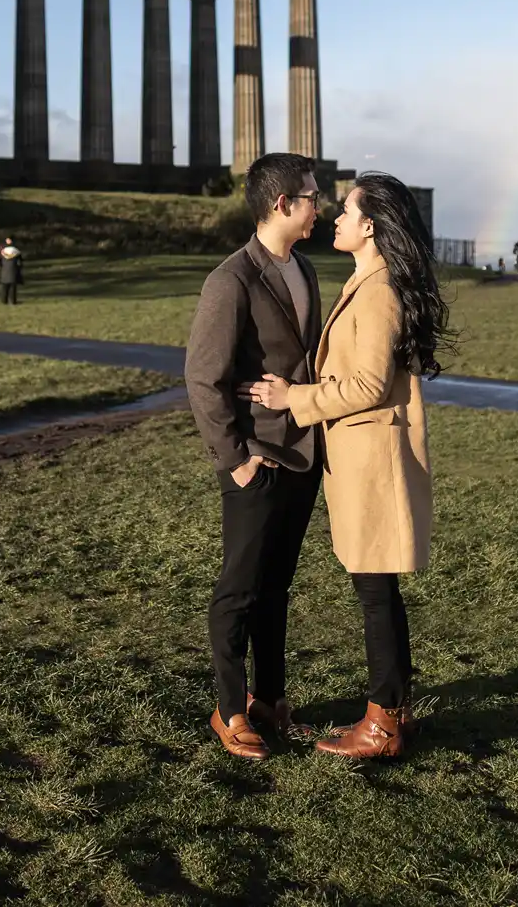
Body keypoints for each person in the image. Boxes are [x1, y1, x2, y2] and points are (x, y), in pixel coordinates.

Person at [245, 171, 447, 760]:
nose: (335, 218)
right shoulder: (367, 278)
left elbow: (366, 383)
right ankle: (396, 715)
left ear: (370, 226)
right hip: (361, 456)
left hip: (371, 460)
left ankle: (383, 724)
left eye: (347, 211)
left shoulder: (379, 286)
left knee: (375, 591)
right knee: (378, 588)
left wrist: (294, 400)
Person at [184, 153, 325, 761]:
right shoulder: (231, 279)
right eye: (313, 196)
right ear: (281, 204)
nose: (321, 205)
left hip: (303, 457)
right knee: (239, 588)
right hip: (256, 458)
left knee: (278, 588)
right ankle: (230, 708)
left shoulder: (308, 269)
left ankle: (272, 700)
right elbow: (201, 378)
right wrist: (234, 456)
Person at [0, 236, 24, 304]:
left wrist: (1, 266)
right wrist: (19, 267)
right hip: (13, 268)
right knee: (12, 286)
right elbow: (20, 260)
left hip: (5, 269)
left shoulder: (2, 250)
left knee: (5, 286)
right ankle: (13, 301)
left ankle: (4, 300)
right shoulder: (15, 249)